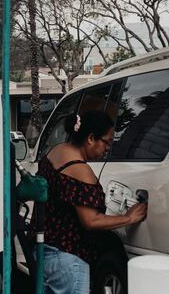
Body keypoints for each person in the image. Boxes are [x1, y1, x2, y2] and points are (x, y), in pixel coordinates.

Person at [38, 110, 147, 294]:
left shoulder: (55, 152)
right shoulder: (80, 170)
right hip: (68, 259)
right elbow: (91, 221)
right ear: (90, 138)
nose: (107, 149)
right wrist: (128, 218)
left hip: (45, 253)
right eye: (107, 142)